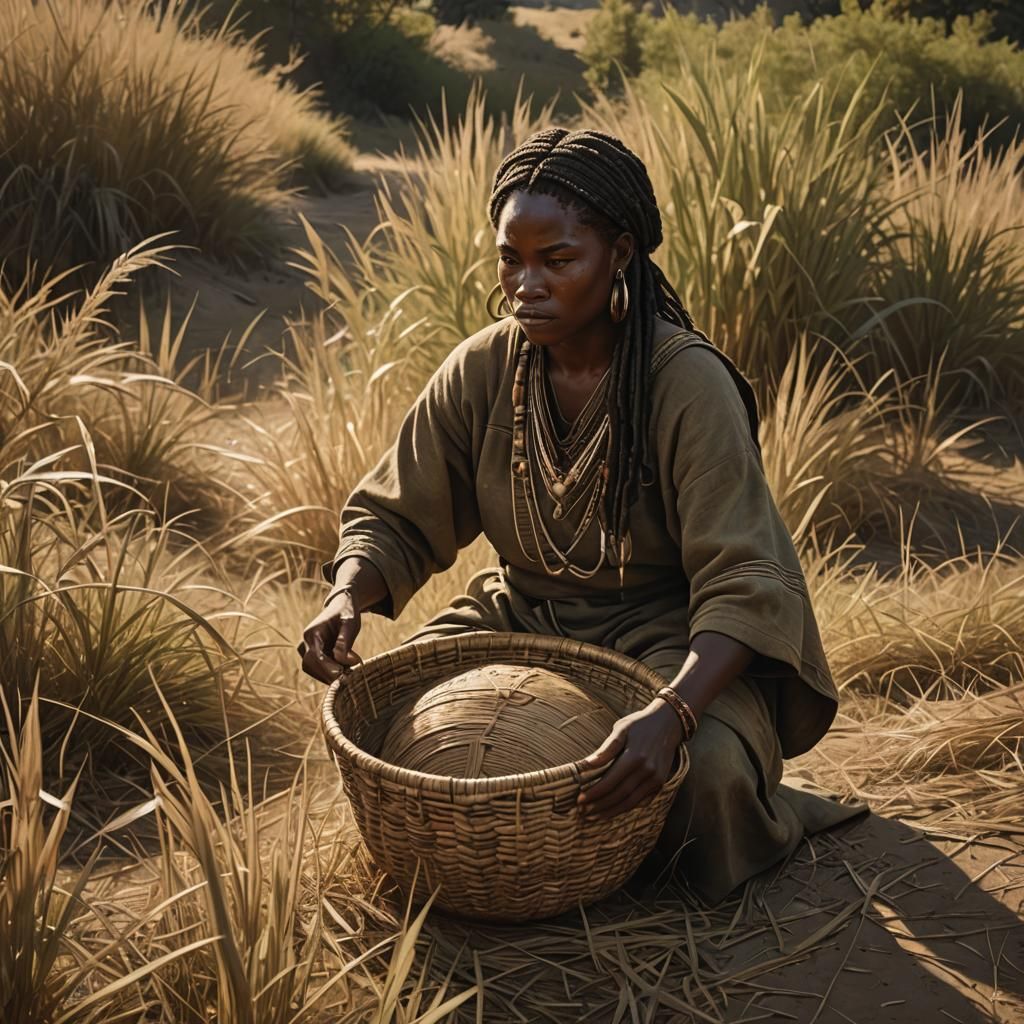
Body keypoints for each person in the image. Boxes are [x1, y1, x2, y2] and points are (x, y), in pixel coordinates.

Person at [300, 127, 858, 905]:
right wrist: (346, 597)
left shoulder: (686, 382)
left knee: (703, 783)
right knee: (385, 723)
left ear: (620, 253)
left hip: (674, 639)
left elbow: (748, 576)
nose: (526, 283)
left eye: (557, 259)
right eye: (510, 258)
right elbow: (395, 512)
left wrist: (672, 714)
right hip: (518, 615)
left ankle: (746, 808)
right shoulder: (483, 366)